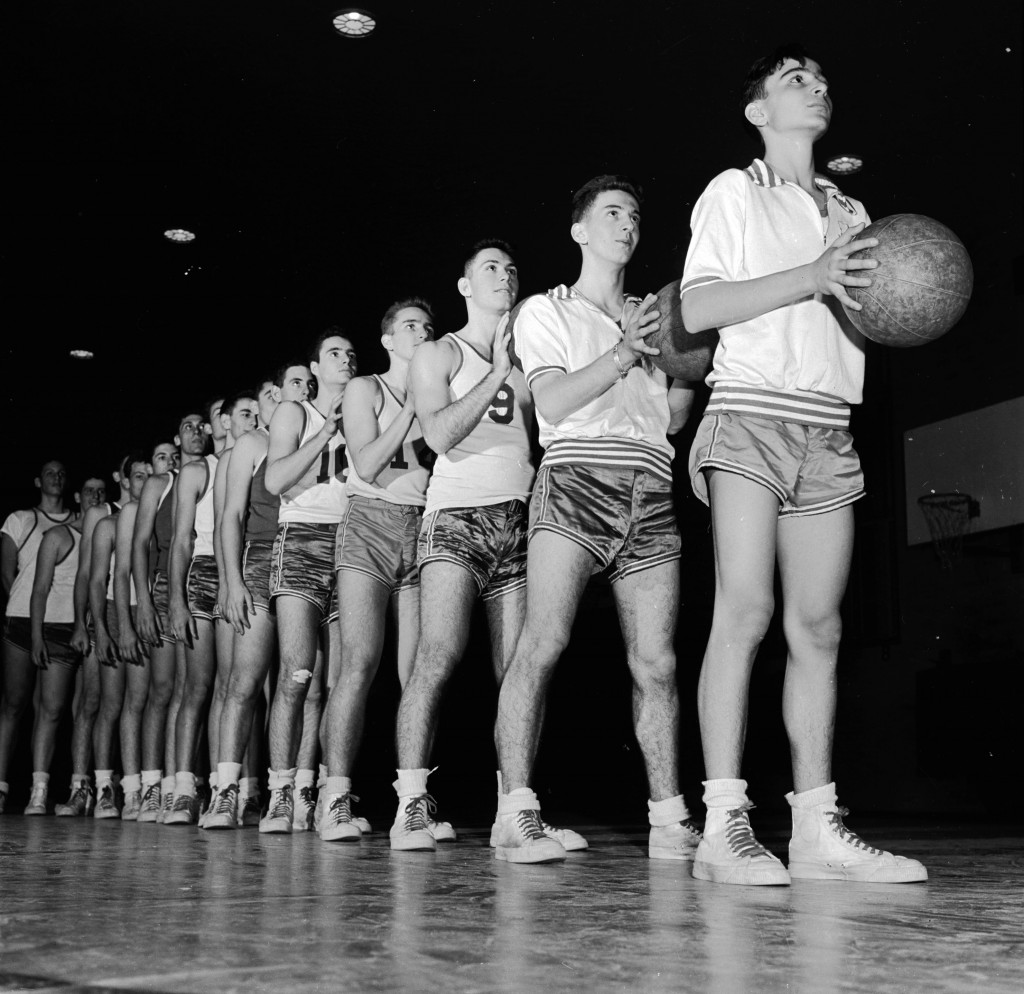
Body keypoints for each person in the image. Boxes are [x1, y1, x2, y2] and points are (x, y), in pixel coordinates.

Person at [679, 45, 926, 885]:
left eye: (823, 78)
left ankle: (816, 828)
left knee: (818, 630)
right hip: (749, 414)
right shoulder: (734, 190)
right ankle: (722, 824)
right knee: (744, 610)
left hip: (827, 429)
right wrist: (813, 276)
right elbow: (699, 306)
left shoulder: (854, 212)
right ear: (757, 110)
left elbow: (853, 322)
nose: (816, 87)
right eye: (795, 79)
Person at [493, 177, 698, 864]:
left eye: (635, 215)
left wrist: (690, 367)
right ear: (579, 231)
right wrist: (622, 352)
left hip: (649, 485)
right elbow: (550, 402)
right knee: (542, 643)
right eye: (612, 213)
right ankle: (516, 810)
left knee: (658, 663)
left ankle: (670, 820)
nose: (627, 223)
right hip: (577, 481)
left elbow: (667, 418)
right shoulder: (545, 311)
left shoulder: (653, 314)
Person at [389, 240, 536, 852]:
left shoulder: (531, 360)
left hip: (518, 518)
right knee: (438, 656)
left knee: (519, 671)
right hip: (455, 518)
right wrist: (498, 370)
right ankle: (411, 806)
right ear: (465, 286)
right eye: (490, 269)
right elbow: (441, 433)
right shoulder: (438, 351)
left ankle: (516, 808)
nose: (504, 277)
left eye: (510, 268)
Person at [320, 300, 435, 841]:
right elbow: (365, 463)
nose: (422, 333)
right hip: (368, 523)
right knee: (359, 664)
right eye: (410, 326)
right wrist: (412, 409)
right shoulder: (367, 387)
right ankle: (335, 797)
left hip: (421, 526)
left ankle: (413, 801)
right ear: (389, 339)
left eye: (427, 327)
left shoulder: (438, 389)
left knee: (416, 674)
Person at [205, 364, 313, 829]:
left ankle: (295, 792)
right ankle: (225, 791)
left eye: (308, 385)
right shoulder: (253, 443)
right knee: (243, 682)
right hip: (260, 559)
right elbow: (228, 516)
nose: (302, 392)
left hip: (305, 556)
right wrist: (231, 582)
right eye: (292, 385)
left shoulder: (320, 436)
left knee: (302, 684)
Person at [261, 331, 356, 834]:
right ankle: (278, 793)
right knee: (297, 674)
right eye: (335, 354)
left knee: (337, 682)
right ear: (316, 367)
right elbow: (274, 482)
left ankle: (318, 794)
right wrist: (325, 434)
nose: (346, 360)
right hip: (301, 538)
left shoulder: (366, 407)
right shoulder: (297, 413)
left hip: (350, 543)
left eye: (350, 354)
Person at [165, 393, 258, 825]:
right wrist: (176, 600)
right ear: (221, 421)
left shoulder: (258, 456)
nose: (254, 420)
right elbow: (181, 539)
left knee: (235, 686)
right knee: (197, 687)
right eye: (245, 414)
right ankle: (183, 790)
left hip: (240, 569)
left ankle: (230, 788)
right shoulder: (199, 469)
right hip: (203, 574)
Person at [131, 413, 208, 821]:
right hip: (164, 587)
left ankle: (182, 785)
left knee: (189, 687)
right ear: (177, 439)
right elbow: (141, 544)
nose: (195, 431)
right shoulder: (162, 484)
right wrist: (143, 602)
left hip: (200, 584)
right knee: (162, 689)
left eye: (201, 425)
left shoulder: (214, 474)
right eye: (187, 426)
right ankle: (150, 787)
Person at [0, 461, 74, 813]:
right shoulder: (20, 519)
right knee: (14, 705)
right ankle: (1, 785)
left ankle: (39, 788)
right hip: (22, 619)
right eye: (49, 473)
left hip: (60, 623)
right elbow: (7, 573)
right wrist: (28, 616)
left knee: (52, 709)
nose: (56, 478)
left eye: (61, 473)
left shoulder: (79, 522)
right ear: (37, 480)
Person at [86, 453, 152, 817]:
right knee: (110, 704)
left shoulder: (157, 516)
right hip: (115, 612)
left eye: (149, 476)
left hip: (144, 610)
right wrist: (103, 630)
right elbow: (98, 580)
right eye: (137, 476)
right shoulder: (109, 525)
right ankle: (103, 788)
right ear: (125, 481)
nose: (143, 482)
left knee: (140, 702)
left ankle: (135, 788)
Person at [112, 441, 176, 819]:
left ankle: (165, 785)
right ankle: (136, 789)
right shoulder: (132, 511)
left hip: (159, 604)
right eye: (159, 459)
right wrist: (126, 623)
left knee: (167, 692)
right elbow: (121, 573)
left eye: (171, 459)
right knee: (141, 698)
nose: (165, 465)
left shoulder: (167, 503)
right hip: (140, 608)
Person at [23, 513, 86, 814]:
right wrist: (36, 637)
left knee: (87, 711)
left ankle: (81, 786)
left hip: (92, 629)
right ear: (79, 499)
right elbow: (39, 588)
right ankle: (39, 790)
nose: (95, 498)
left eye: (101, 492)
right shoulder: (59, 536)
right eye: (88, 492)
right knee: (50, 710)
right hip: (57, 630)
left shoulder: (110, 530)